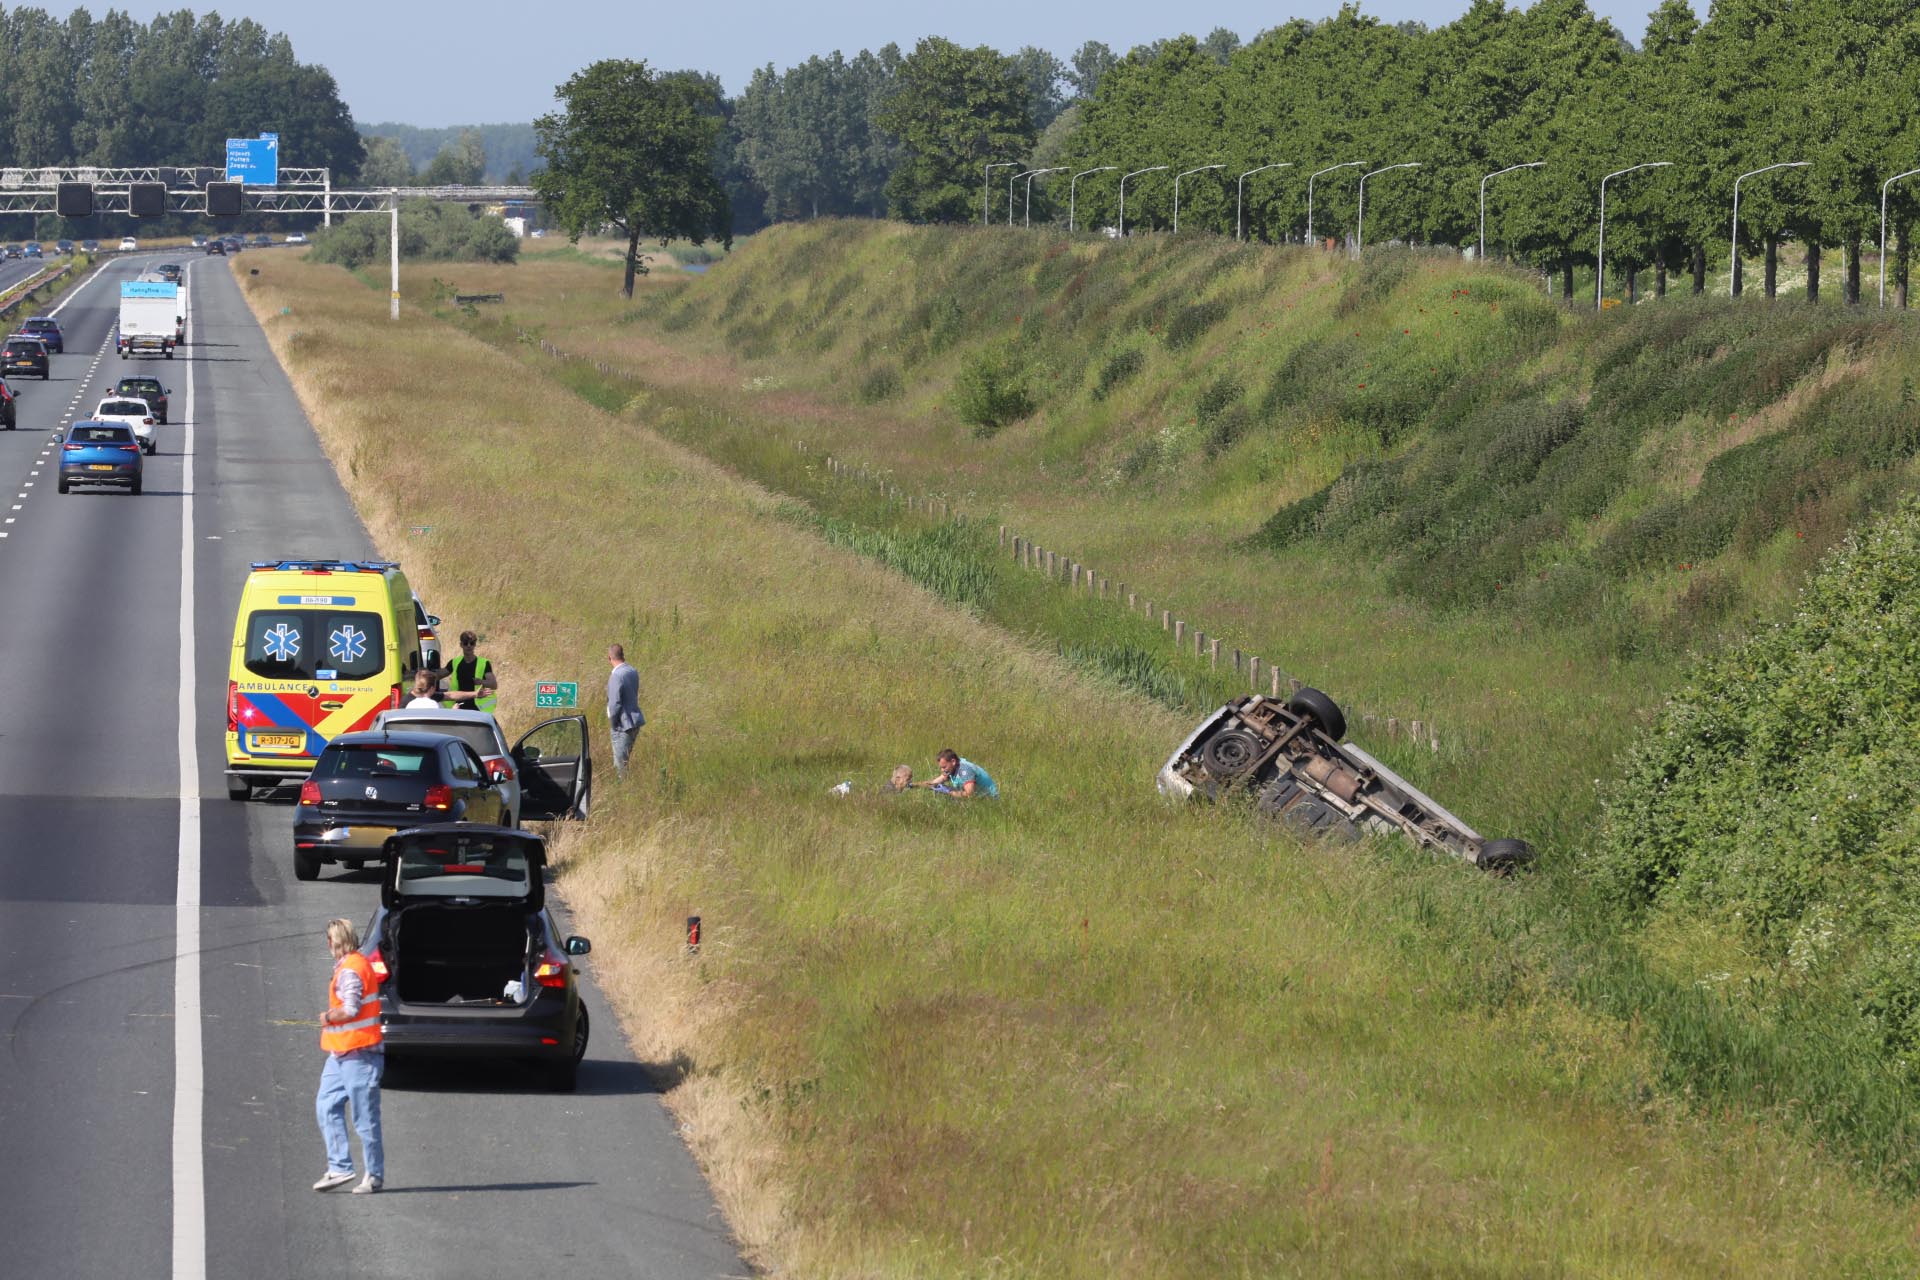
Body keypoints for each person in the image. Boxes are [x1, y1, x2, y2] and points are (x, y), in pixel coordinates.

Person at [313, 918, 384, 1195]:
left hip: (360, 1054)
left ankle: (374, 1175)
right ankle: (340, 1167)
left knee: (364, 1118)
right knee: (326, 1105)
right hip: (341, 1052)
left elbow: (351, 1009)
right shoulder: (352, 964)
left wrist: (328, 1017)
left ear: (334, 941)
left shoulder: (351, 971)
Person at [434, 631, 498, 712]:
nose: (469, 646)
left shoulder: (484, 663)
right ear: (461, 645)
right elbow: (438, 675)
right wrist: (424, 675)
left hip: (478, 707)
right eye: (465, 643)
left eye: (471, 643)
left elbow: (494, 685)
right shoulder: (455, 662)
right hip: (460, 706)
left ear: (475, 645)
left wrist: (481, 682)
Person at [606, 643, 644, 776]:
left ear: (609, 657)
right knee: (624, 761)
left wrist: (613, 723)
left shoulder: (616, 675)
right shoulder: (632, 670)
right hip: (634, 720)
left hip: (623, 724)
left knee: (619, 765)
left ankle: (622, 788)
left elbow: (614, 703)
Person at [931, 748, 998, 799]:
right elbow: (933, 783)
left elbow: (970, 794)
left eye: (944, 767)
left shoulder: (965, 770)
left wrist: (949, 792)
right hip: (978, 798)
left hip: (989, 799)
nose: (942, 770)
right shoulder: (952, 768)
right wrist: (921, 785)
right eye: (941, 768)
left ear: (953, 762)